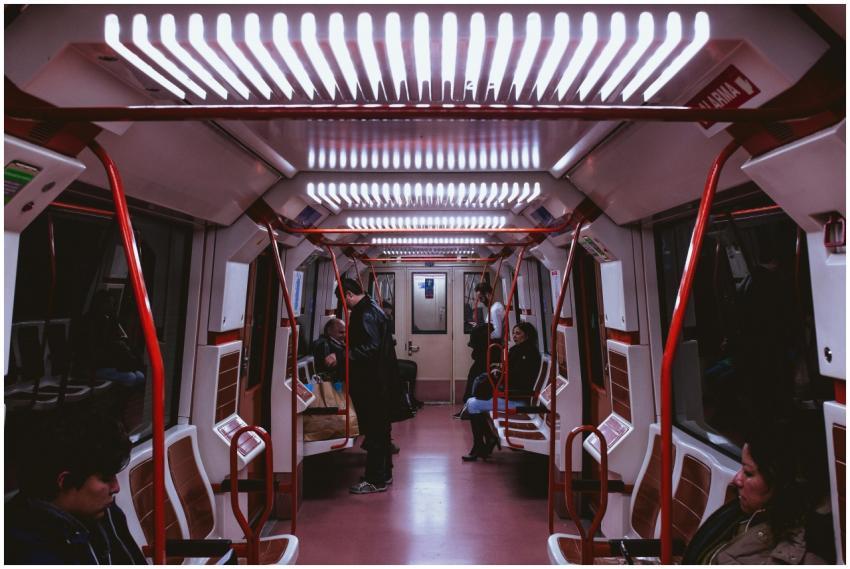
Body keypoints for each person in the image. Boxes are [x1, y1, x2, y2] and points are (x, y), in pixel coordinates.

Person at [683, 419, 834, 564]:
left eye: (748, 473)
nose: (736, 480)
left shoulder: (795, 556)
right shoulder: (742, 516)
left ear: (781, 483)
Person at [5, 409, 147, 564]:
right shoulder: (27, 552)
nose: (116, 488)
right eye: (106, 479)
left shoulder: (104, 513)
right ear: (64, 481)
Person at [337, 278, 397, 494]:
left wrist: (345, 355)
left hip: (372, 382)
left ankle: (375, 480)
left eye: (344, 300)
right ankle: (384, 474)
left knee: (374, 432)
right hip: (381, 380)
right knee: (381, 431)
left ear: (348, 294)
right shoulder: (375, 309)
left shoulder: (365, 313)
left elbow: (371, 347)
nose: (346, 305)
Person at [462, 321, 541, 462]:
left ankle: (481, 444)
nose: (515, 336)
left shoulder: (528, 353)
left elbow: (519, 378)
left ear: (527, 336)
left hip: (516, 399)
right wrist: (499, 372)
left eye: (518, 333)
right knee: (473, 402)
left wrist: (499, 375)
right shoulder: (519, 349)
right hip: (509, 393)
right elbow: (511, 372)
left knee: (472, 404)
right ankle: (484, 443)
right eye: (514, 333)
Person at [312, 317, 346, 383]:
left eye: (345, 332)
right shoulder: (324, 345)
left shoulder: (340, 343)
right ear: (329, 331)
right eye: (341, 332)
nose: (344, 335)